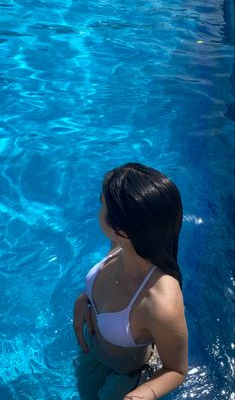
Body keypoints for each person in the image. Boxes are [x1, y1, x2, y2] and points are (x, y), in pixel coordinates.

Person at [73, 162, 188, 400]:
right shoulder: (120, 246)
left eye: (102, 207)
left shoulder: (159, 302)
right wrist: (84, 300)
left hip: (128, 377)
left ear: (122, 230)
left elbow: (176, 369)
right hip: (95, 353)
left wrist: (139, 396)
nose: (97, 213)